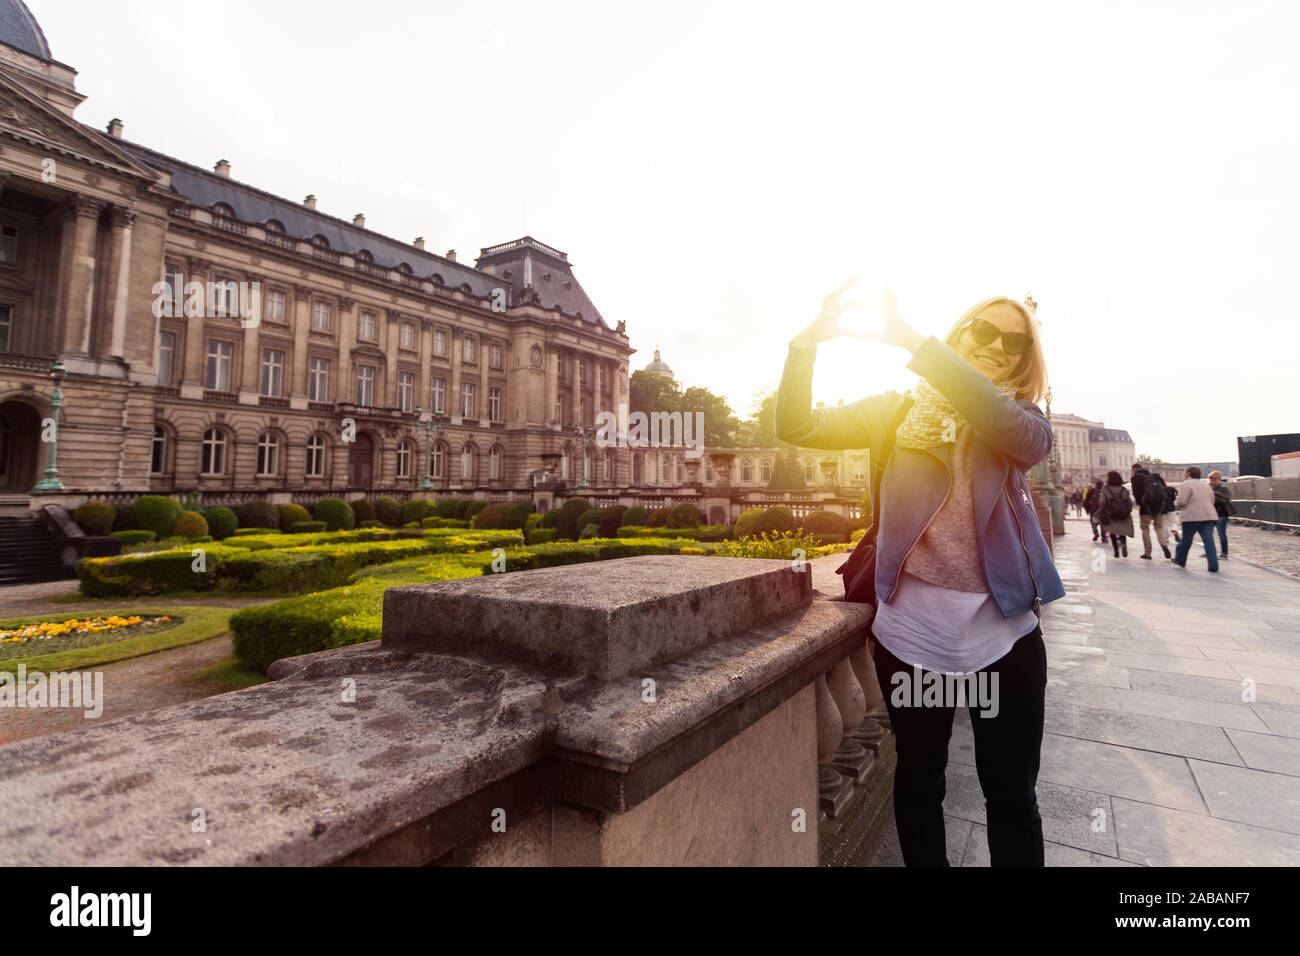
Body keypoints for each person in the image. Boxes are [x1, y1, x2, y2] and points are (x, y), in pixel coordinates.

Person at [776, 283, 1065, 867]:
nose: (997, 347)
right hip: (913, 638)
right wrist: (805, 344)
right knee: (919, 785)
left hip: (1002, 639)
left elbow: (995, 416)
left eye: (1014, 342)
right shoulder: (897, 410)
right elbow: (798, 426)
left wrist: (908, 338)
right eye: (983, 331)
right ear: (958, 333)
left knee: (1012, 798)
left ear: (1025, 359)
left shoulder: (1025, 421)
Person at [1172, 466, 1220, 572]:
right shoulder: (1206, 485)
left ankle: (1180, 559)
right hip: (1209, 515)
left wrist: (1176, 502)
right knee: (1209, 540)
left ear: (1188, 473)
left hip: (1191, 517)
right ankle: (1213, 565)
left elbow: (1182, 502)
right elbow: (1212, 500)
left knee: (1186, 539)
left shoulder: (1185, 484)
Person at [1130, 462, 1171, 560]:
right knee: (1159, 528)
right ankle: (1164, 545)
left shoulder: (1135, 478)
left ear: (1133, 469)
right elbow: (1165, 489)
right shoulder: (1155, 476)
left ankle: (1148, 553)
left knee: (1145, 529)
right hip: (1160, 507)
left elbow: (1136, 494)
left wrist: (1141, 504)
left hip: (1146, 508)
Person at [1096, 470, 1134, 557]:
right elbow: (1129, 503)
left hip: (1111, 514)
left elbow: (1102, 502)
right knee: (1122, 532)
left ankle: (1116, 551)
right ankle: (1124, 545)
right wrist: (1127, 511)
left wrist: (1104, 509)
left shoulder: (1106, 490)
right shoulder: (1124, 489)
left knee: (1112, 532)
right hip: (1123, 514)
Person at [1208, 470, 1236, 561]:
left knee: (1221, 534)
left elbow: (1226, 501)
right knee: (1208, 534)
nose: (1212, 482)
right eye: (1211, 480)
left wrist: (1214, 496)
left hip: (1221, 514)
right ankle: (1209, 551)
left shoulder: (1224, 489)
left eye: (1214, 480)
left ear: (1219, 479)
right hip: (1210, 514)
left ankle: (1224, 553)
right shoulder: (1208, 488)